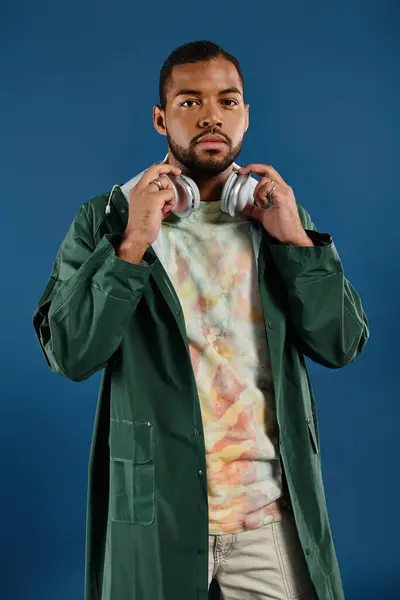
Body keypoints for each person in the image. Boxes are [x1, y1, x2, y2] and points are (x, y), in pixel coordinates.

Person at [33, 40, 369, 600]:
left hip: (268, 516)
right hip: (158, 513)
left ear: (245, 114)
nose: (212, 115)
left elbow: (341, 343)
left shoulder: (276, 216)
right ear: (161, 118)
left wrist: (296, 241)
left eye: (228, 101)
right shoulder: (108, 218)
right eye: (191, 102)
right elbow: (69, 352)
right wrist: (134, 242)